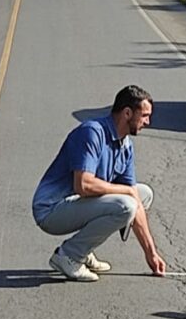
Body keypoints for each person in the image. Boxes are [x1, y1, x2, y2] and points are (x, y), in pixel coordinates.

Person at [32, 85, 167, 282]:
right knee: (126, 205)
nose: (148, 122)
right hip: (51, 210)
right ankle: (69, 255)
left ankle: (84, 250)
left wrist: (151, 253)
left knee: (143, 193)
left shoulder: (125, 145)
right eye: (144, 115)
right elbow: (83, 185)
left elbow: (135, 198)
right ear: (127, 113)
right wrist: (126, 191)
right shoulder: (92, 133)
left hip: (78, 204)